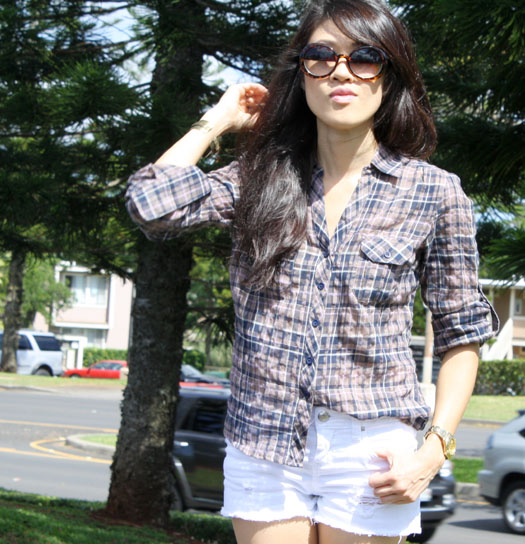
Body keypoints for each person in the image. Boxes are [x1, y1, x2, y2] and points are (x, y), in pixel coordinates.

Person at [125, 0, 499, 542]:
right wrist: (219, 120)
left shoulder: (435, 192)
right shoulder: (258, 177)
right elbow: (151, 204)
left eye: (364, 58)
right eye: (321, 56)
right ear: (301, 74)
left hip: (372, 449)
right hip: (264, 443)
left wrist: (435, 447)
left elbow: (461, 331)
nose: (341, 71)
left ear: (390, 75)